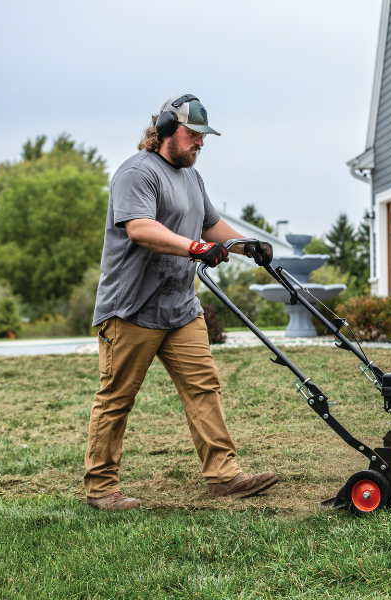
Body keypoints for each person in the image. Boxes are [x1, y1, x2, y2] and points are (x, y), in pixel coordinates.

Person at [83, 93, 275, 510]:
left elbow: (212, 225)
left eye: (205, 136)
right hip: (131, 308)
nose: (201, 143)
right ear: (168, 129)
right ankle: (100, 488)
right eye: (194, 134)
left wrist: (247, 246)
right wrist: (194, 247)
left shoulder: (192, 177)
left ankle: (224, 476)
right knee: (117, 397)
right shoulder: (136, 173)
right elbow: (140, 229)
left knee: (203, 387)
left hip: (181, 308)